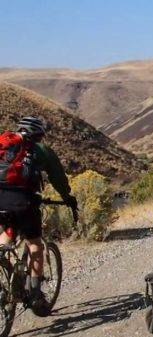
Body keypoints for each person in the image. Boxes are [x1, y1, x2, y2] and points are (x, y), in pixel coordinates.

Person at [0, 116, 77, 315]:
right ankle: (34, 294)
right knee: (35, 244)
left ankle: (7, 271)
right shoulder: (39, 150)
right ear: (38, 135)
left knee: (7, 236)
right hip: (22, 201)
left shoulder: (4, 143)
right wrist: (67, 197)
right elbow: (57, 177)